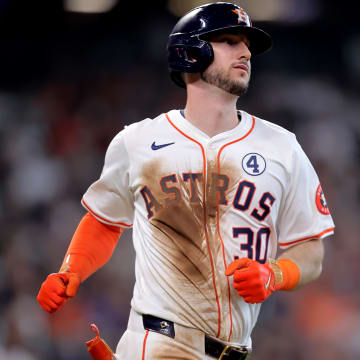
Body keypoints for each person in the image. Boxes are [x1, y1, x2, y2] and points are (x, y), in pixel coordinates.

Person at [37, 2, 335, 359]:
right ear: (191, 53)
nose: (245, 52)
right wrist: (71, 271)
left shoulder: (282, 146)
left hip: (236, 351)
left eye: (247, 45)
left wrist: (276, 273)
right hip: (159, 343)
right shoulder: (138, 141)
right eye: (229, 41)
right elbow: (105, 221)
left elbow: (311, 251)